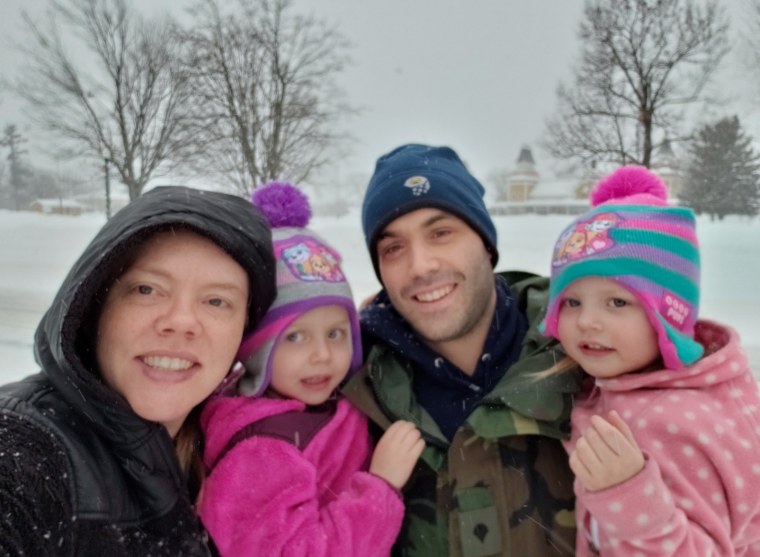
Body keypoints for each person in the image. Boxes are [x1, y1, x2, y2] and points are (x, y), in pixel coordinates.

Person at [0, 186, 277, 556]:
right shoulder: (27, 447)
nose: (180, 322)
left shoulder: (226, 448)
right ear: (96, 307)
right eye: (147, 289)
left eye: (216, 300)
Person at [341, 143, 579, 556]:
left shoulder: (584, 355)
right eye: (393, 248)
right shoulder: (350, 389)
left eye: (441, 233)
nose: (420, 266)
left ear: (486, 243)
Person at [540, 165, 760, 555]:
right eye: (572, 302)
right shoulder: (691, 380)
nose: (587, 321)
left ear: (668, 316)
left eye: (618, 302)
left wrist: (630, 496)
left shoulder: (668, 424)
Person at [198, 182, 425, 557]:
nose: (323, 355)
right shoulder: (262, 448)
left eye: (336, 333)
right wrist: (379, 486)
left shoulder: (314, 399)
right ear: (256, 348)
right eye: (295, 338)